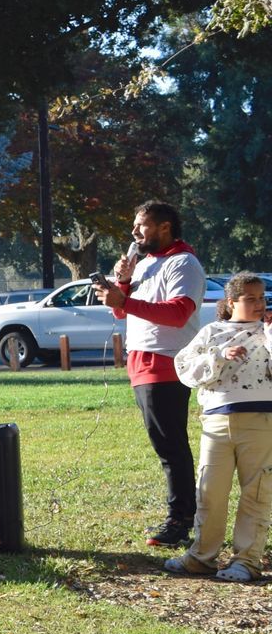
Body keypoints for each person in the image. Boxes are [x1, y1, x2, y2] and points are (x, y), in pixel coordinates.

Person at [99, 200, 207, 549]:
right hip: (141, 362)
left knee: (170, 446)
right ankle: (182, 515)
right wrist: (123, 285)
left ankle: (181, 520)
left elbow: (177, 314)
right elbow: (122, 313)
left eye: (140, 225)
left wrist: (124, 300)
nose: (134, 232)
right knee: (164, 443)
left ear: (164, 227)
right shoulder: (146, 264)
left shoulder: (184, 263)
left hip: (166, 362)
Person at [165, 272, 272, 582]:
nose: (258, 304)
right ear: (231, 302)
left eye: (261, 298)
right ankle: (202, 557)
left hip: (260, 421)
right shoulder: (212, 332)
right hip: (216, 419)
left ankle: (246, 561)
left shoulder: (266, 333)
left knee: (257, 491)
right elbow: (186, 370)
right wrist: (219, 356)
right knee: (210, 490)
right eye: (250, 299)